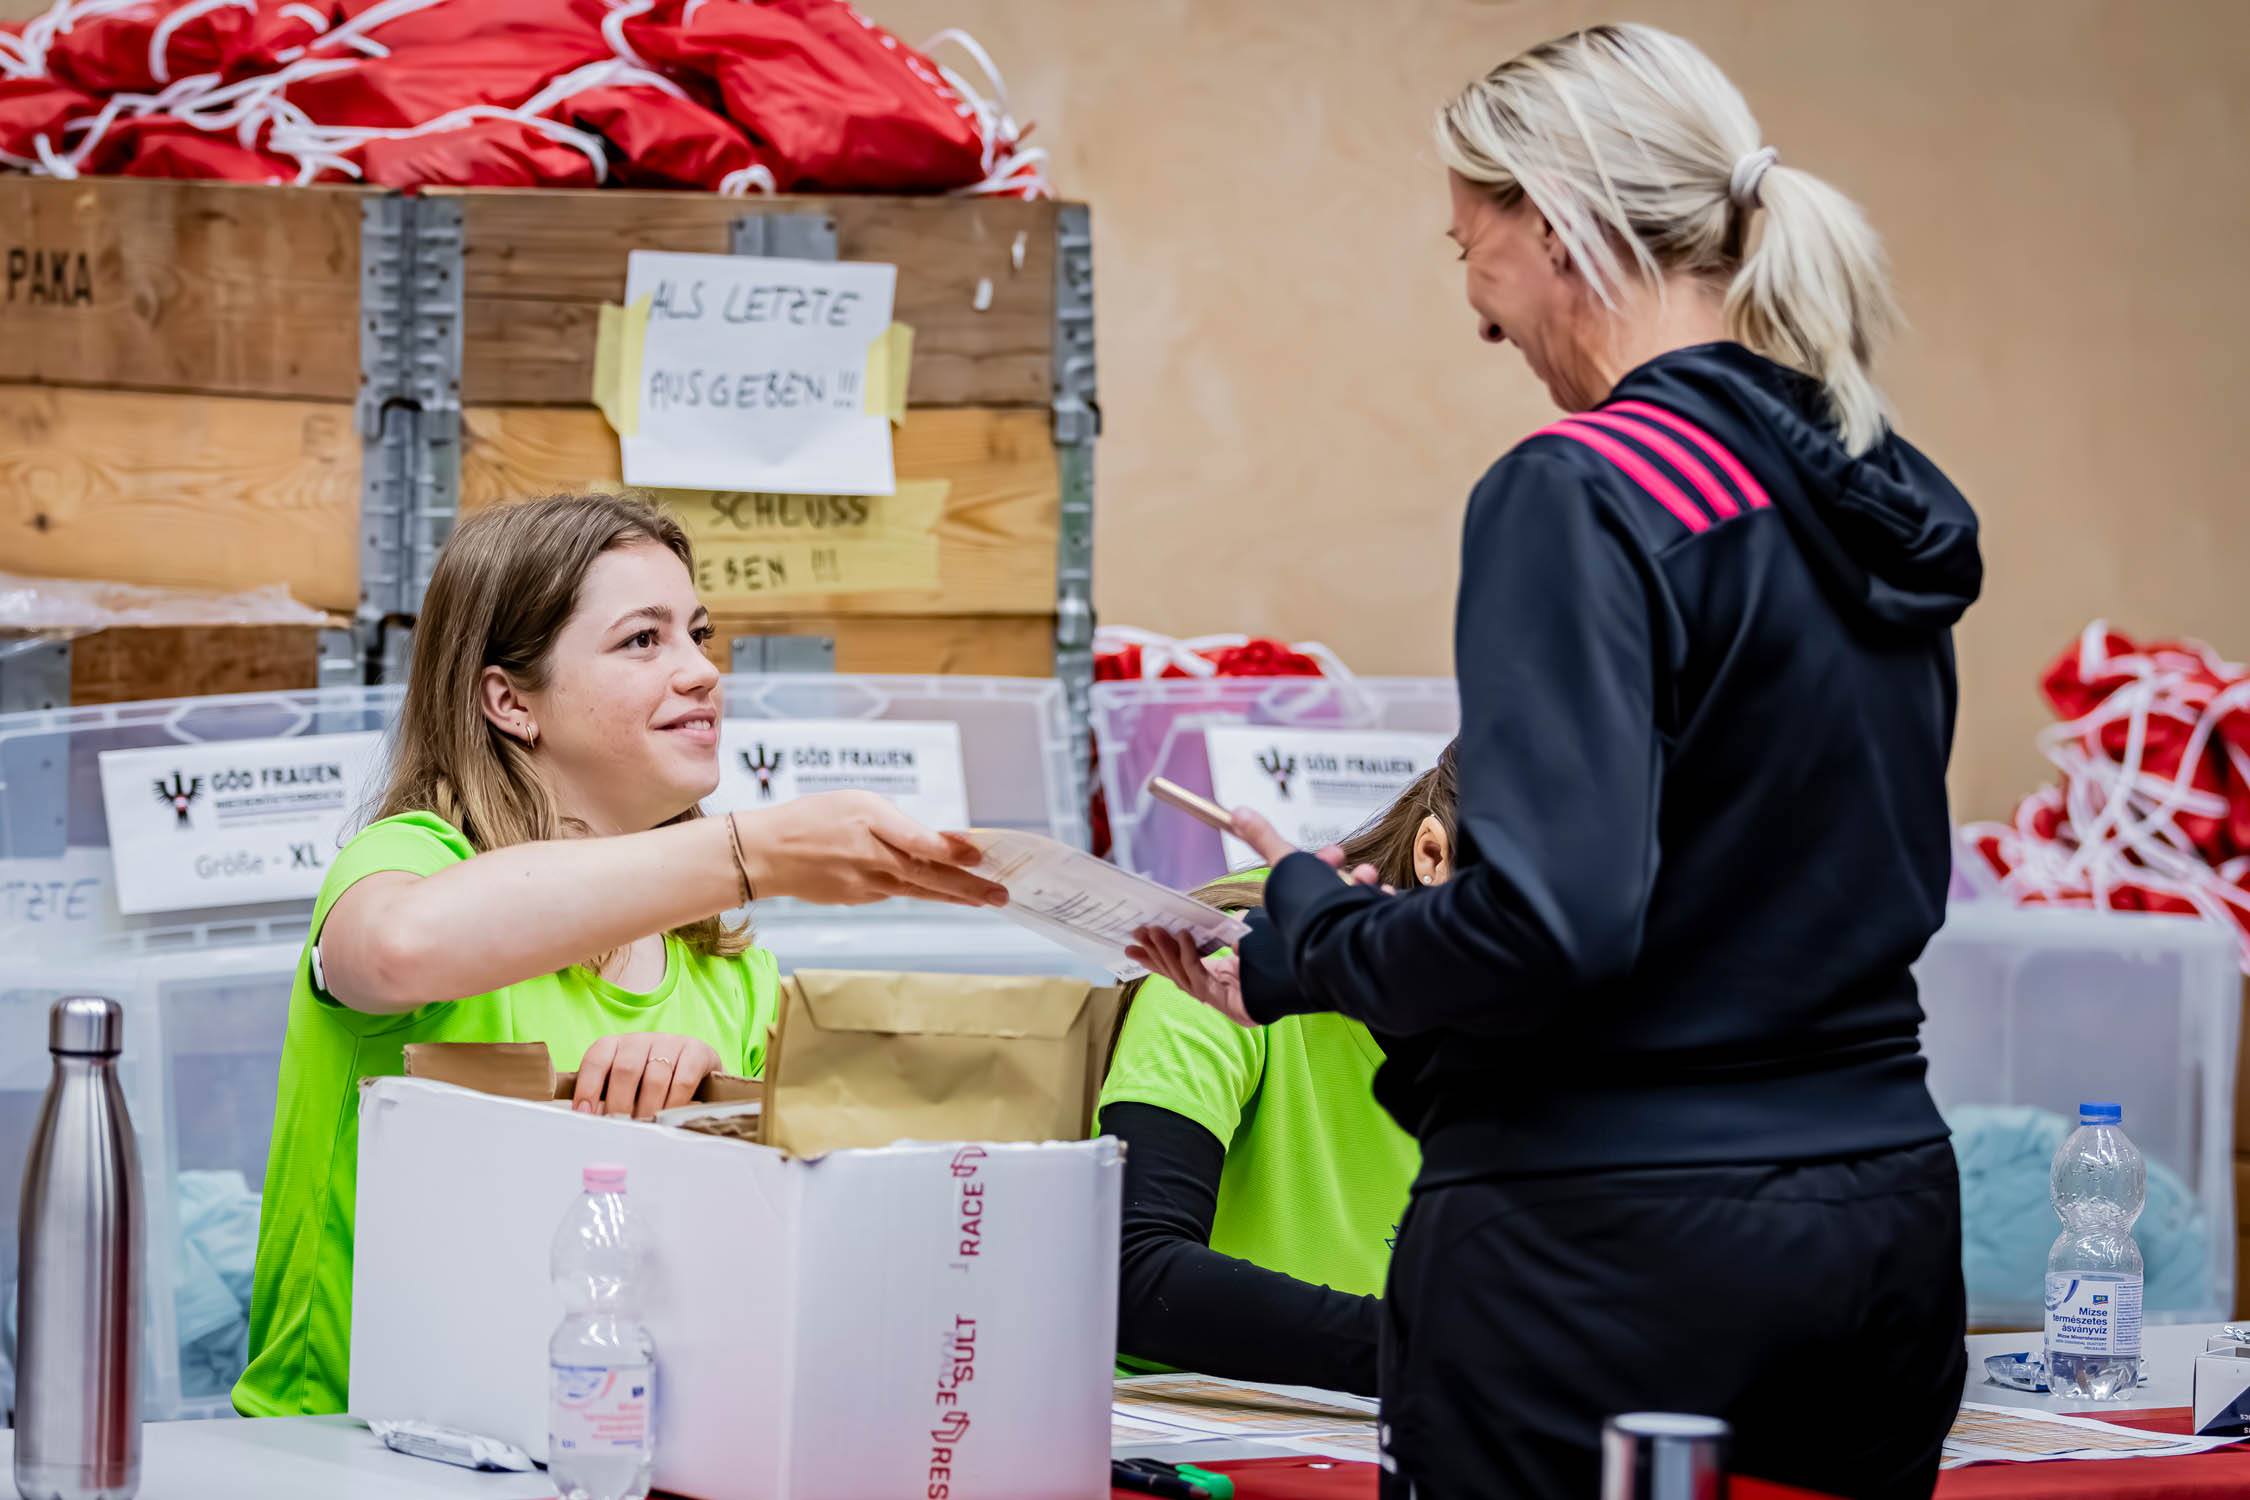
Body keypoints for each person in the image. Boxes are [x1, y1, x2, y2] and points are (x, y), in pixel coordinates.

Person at [1133, 23, 1980, 1500]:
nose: (1479, 308)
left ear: (1552, 220)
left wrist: (1308, 932)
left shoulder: (1580, 489)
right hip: (1882, 1231)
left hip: (1609, 1257)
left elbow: (1549, 925)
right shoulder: (1868, 499)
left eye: (1468, 245)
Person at [234, 494, 1005, 1418]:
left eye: (699, 634)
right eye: (644, 640)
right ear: (509, 701)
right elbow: (395, 951)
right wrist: (752, 853)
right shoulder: (411, 859)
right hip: (349, 1452)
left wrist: (705, 1116)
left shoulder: (727, 967)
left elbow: (769, 1265)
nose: (702, 672)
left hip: (611, 1444)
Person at [1099, 746, 1456, 1396]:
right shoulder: (1228, 964)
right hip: (1204, 1421)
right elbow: (1130, 1274)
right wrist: (1440, 1353)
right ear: (1432, 855)